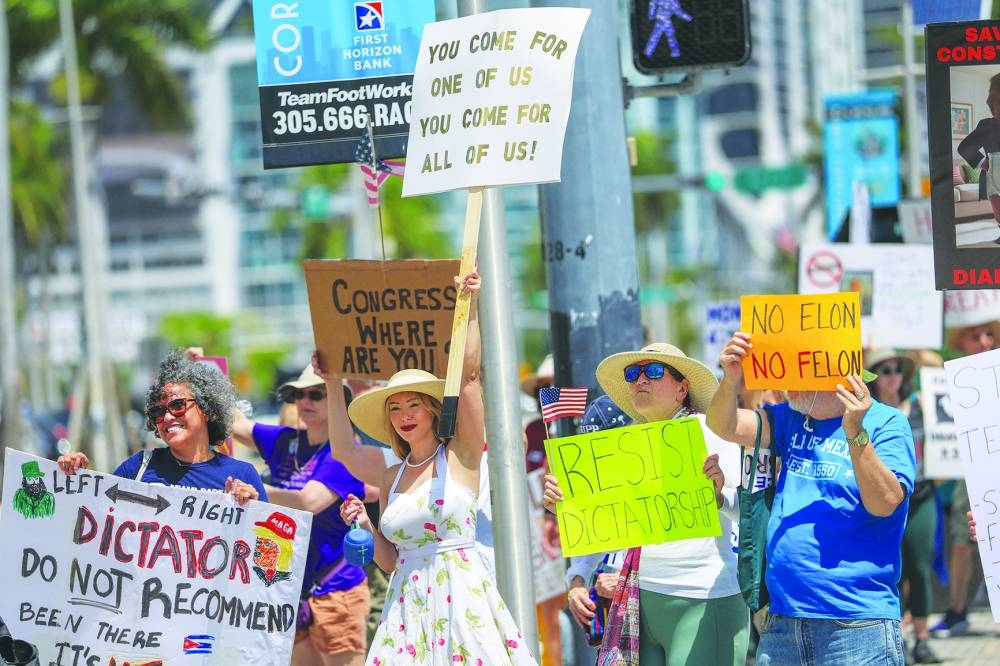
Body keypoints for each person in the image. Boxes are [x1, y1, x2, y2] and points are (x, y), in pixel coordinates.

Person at [338, 271, 535, 664]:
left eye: (413, 405)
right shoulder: (390, 476)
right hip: (406, 607)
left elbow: (469, 380)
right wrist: (364, 524)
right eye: (395, 408)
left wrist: (470, 308)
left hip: (462, 601)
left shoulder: (459, 456)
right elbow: (392, 560)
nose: (404, 415)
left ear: (431, 410)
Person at [708, 332, 915, 665]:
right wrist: (730, 380)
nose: (788, 383)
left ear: (838, 379)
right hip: (783, 622)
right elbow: (725, 425)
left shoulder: (887, 423)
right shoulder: (791, 417)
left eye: (800, 373)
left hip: (857, 624)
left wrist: (854, 432)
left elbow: (885, 502)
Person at [544, 342, 746, 666]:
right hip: (641, 605)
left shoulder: (713, 436)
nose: (641, 380)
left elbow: (751, 512)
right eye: (633, 373)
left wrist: (721, 496)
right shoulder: (626, 444)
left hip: (704, 599)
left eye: (653, 371)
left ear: (683, 388)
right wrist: (577, 573)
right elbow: (609, 520)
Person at [227, 361, 370, 666]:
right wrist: (203, 370)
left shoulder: (344, 451)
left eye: (316, 395)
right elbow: (234, 424)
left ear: (337, 400)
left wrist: (255, 491)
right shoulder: (285, 440)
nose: (304, 402)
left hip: (335, 590)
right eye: (298, 394)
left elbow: (308, 502)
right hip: (287, 589)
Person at [57, 349, 265, 504]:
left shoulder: (243, 474)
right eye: (157, 412)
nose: (166, 417)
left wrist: (249, 511)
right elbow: (98, 517)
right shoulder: (137, 467)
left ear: (207, 409)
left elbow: (268, 549)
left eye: (177, 405)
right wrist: (76, 476)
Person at [865, 349, 941, 664]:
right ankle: (896, 638)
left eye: (898, 368)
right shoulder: (867, 414)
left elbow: (940, 368)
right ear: (874, 378)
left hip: (921, 495)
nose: (893, 374)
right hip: (884, 500)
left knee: (920, 567)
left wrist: (917, 351)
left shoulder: (922, 405)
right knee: (891, 567)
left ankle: (922, 639)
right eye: (885, 369)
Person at [933, 292, 999, 637]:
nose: (985, 341)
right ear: (961, 341)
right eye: (976, 335)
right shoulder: (948, 375)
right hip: (966, 468)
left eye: (989, 333)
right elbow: (924, 358)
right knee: (963, 538)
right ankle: (957, 611)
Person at [957, 72, 1000, 235]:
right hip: (994, 178)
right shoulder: (986, 126)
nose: (988, 100)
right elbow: (964, 148)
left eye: (992, 94)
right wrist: (984, 163)